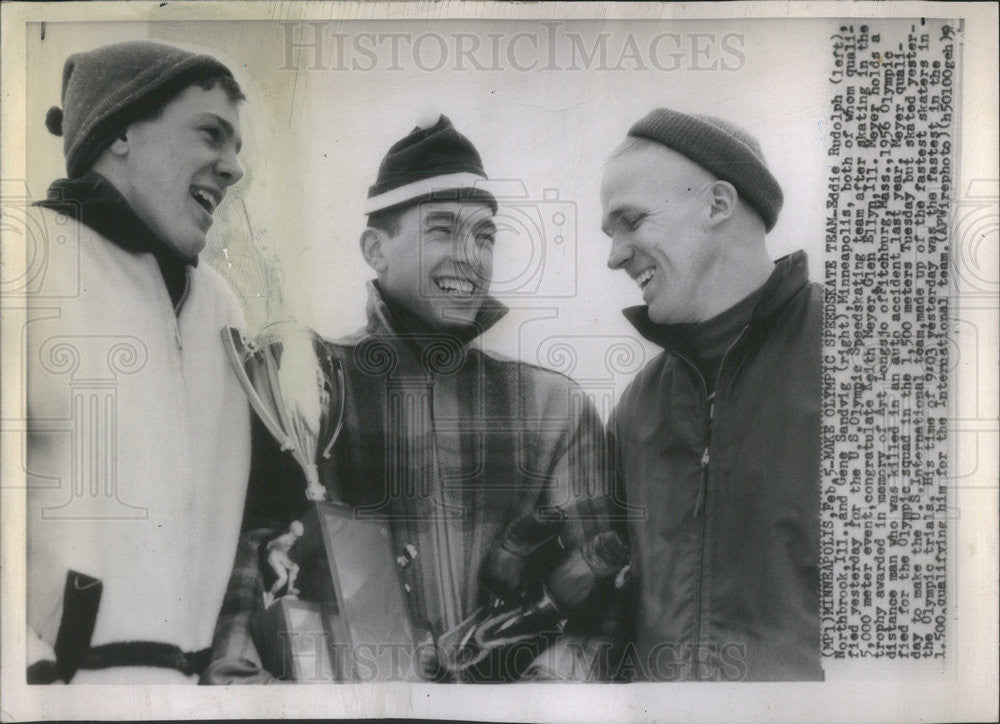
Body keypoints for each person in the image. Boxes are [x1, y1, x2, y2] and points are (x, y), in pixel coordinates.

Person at [204, 115, 622, 684]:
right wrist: (247, 689)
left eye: (484, 236)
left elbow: (606, 602)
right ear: (376, 249)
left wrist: (537, 695)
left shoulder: (551, 407)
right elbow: (243, 564)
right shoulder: (309, 385)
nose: (470, 257)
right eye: (442, 230)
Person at [26, 41, 251, 683]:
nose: (233, 169)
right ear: (121, 132)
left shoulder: (221, 306)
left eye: (238, 150)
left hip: (190, 693)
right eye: (212, 134)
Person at [600, 108, 823, 681]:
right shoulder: (635, 409)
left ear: (718, 205)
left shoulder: (865, 354)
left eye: (631, 221)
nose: (615, 254)